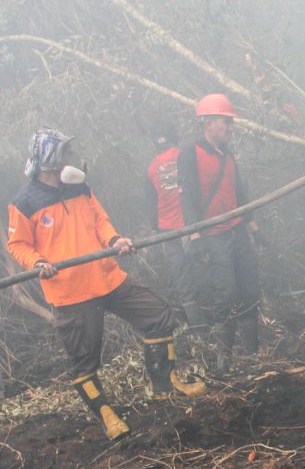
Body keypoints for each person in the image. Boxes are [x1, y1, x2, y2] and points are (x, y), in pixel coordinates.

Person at [6, 128, 206, 440]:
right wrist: (37, 263)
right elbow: (17, 244)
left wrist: (114, 239)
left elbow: (100, 220)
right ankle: (106, 416)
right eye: (66, 153)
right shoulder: (24, 202)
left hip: (107, 276)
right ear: (51, 160)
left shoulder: (80, 187)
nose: (71, 158)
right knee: (84, 360)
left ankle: (163, 385)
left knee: (157, 316)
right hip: (71, 291)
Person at [178, 93, 261, 376]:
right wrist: (196, 236)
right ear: (209, 122)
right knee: (225, 294)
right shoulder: (191, 151)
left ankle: (254, 353)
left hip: (236, 230)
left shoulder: (228, 152)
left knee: (250, 288)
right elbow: (187, 198)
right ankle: (223, 360)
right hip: (211, 236)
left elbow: (239, 190)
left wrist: (253, 227)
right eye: (225, 122)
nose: (229, 127)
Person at [145, 121, 201, 327]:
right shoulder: (186, 156)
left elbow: (151, 203)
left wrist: (156, 228)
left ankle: (198, 328)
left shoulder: (151, 167)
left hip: (166, 229)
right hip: (190, 225)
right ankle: (215, 320)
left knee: (181, 275)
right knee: (202, 268)